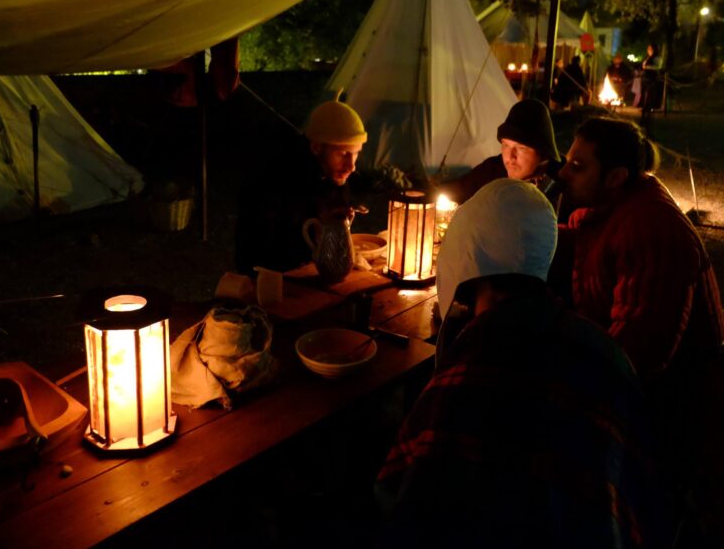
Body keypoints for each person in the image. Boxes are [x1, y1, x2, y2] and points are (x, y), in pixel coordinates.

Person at [376, 179, 667, 549]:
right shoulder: (609, 355)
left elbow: (397, 495)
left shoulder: (466, 375)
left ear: (465, 256)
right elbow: (642, 491)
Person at [552, 117, 724, 502]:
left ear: (615, 177)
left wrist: (566, 379)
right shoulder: (615, 209)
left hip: (671, 404)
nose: (562, 173)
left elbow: (637, 353)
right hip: (642, 378)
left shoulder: (651, 231)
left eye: (578, 166)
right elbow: (584, 246)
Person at [234, 99, 367, 274]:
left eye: (356, 154)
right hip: (273, 279)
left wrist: (337, 224)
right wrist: (317, 232)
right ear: (316, 147)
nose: (351, 166)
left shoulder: (331, 174)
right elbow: (256, 253)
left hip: (315, 275)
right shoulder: (275, 179)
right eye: (343, 154)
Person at [439, 98, 561, 205]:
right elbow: (457, 190)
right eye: (506, 145)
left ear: (543, 154)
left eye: (521, 148)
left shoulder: (561, 182)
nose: (510, 157)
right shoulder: (492, 170)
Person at [640, 44, 661, 110]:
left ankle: (649, 107)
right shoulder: (648, 57)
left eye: (650, 49)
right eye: (648, 48)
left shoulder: (656, 57)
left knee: (650, 93)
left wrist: (647, 67)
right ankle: (644, 106)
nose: (648, 50)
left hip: (652, 77)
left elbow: (658, 67)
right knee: (645, 92)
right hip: (646, 77)